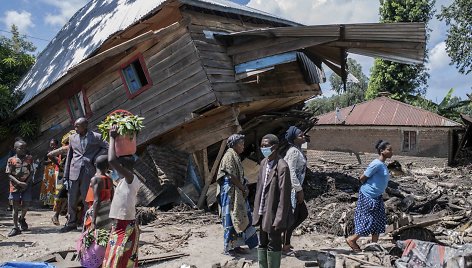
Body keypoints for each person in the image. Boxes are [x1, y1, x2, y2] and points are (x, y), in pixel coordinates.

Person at [103, 125, 141, 268]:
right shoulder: (123, 181)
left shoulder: (131, 178)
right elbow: (112, 162)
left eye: (119, 166)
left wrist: (112, 137)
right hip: (120, 223)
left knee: (121, 256)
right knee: (115, 255)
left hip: (126, 225)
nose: (115, 168)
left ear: (124, 167)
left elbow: (112, 160)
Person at [61, 118, 108, 232]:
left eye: (78, 126)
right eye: (75, 126)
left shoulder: (96, 137)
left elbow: (106, 147)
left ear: (85, 126)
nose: (75, 128)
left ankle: (87, 224)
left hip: (89, 172)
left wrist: (95, 157)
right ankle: (71, 222)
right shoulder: (72, 138)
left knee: (87, 199)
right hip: (74, 172)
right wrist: (65, 176)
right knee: (71, 199)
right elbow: (69, 157)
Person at [346, 140, 393, 252]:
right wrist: (370, 189)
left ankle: (374, 246)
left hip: (377, 196)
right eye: (389, 150)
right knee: (369, 220)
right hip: (369, 196)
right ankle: (352, 240)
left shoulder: (382, 164)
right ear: (382, 151)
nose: (392, 152)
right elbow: (362, 178)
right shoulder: (376, 164)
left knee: (378, 220)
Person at [253, 134, 292, 268]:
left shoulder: (282, 167)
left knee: (274, 244)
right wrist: (256, 211)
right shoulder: (264, 163)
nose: (262, 149)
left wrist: (279, 219)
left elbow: (284, 196)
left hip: (274, 213)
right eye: (262, 146)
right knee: (262, 242)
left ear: (274, 147)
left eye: (265, 146)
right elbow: (259, 188)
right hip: (262, 210)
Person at [217, 134, 258, 255]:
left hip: (236, 191)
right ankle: (229, 248)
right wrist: (242, 188)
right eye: (241, 144)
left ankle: (237, 246)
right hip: (230, 193)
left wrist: (244, 185)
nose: (243, 146)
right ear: (234, 144)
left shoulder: (235, 156)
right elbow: (231, 176)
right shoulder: (229, 156)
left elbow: (239, 175)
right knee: (231, 218)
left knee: (239, 217)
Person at [78, 155, 114, 268]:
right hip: (107, 211)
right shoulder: (109, 178)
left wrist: (93, 220)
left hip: (98, 213)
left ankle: (93, 262)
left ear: (94, 165)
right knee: (104, 237)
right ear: (108, 166)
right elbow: (111, 197)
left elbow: (97, 200)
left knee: (95, 237)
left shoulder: (96, 179)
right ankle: (103, 261)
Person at [282, 126, 309, 256]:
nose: (303, 137)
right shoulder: (293, 151)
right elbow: (291, 171)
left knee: (301, 214)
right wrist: (299, 190)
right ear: (293, 139)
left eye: (303, 135)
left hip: (296, 188)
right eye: (300, 135)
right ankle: (285, 245)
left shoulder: (298, 150)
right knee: (294, 217)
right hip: (292, 189)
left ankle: (285, 239)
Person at [6, 140, 33, 237]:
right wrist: (18, 182)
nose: (23, 150)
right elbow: (9, 174)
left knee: (26, 205)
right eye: (21, 148)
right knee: (15, 207)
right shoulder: (11, 160)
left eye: (25, 148)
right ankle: (15, 227)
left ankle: (22, 218)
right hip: (15, 186)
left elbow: (31, 171)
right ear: (15, 149)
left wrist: (26, 182)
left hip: (26, 185)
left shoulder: (29, 158)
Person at [48, 130, 75, 225]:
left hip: (74, 174)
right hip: (64, 175)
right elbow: (50, 155)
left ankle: (70, 217)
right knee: (62, 195)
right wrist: (59, 164)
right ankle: (56, 215)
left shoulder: (79, 147)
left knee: (73, 196)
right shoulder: (66, 148)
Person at [40, 139, 60, 207]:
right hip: (48, 172)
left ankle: (52, 203)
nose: (52, 146)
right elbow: (43, 162)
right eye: (51, 144)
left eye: (53, 144)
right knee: (47, 186)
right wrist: (52, 160)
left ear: (56, 145)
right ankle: (46, 202)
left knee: (53, 186)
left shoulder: (59, 152)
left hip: (55, 171)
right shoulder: (48, 152)